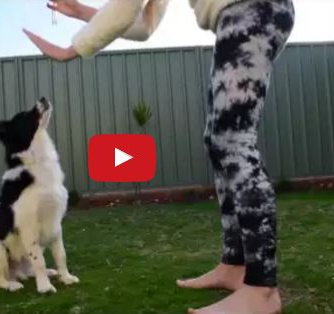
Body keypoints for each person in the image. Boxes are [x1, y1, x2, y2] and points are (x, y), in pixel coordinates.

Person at [23, 0, 295, 313]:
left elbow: (125, 7)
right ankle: (234, 265)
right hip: (242, 14)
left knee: (233, 141)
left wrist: (71, 49)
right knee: (219, 141)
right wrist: (83, 12)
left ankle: (261, 289)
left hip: (253, 9)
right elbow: (143, 24)